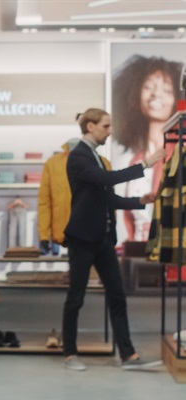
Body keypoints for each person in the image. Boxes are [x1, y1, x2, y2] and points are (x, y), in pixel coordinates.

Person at [62, 108, 165, 371]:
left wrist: (138, 201)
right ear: (90, 127)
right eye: (105, 126)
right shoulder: (78, 158)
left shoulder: (96, 158)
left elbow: (108, 198)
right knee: (76, 298)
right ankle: (70, 354)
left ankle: (128, 355)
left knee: (117, 296)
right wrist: (146, 163)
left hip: (104, 239)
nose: (110, 131)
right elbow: (106, 180)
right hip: (83, 239)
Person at [111, 55, 184, 241]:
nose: (156, 95)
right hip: (137, 245)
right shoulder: (134, 159)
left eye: (166, 90)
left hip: (167, 243)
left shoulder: (178, 153)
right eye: (148, 87)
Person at [37, 137, 111, 255]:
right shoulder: (53, 164)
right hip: (64, 231)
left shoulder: (102, 163)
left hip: (94, 230)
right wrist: (44, 235)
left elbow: (109, 200)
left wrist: (112, 230)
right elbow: (45, 202)